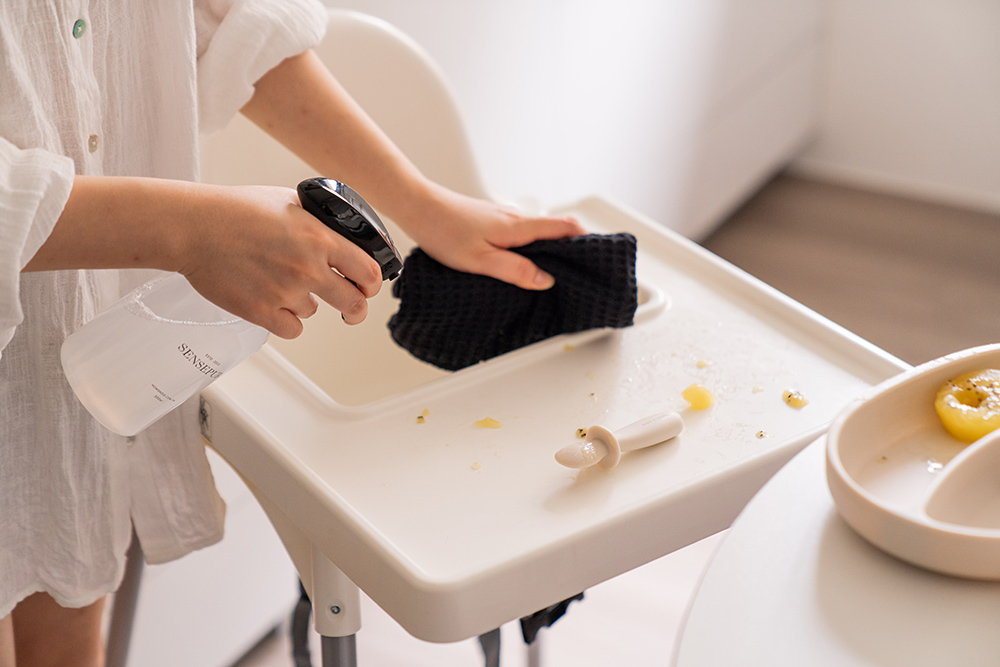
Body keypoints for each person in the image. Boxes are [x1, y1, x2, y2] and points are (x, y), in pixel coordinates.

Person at [0, 2, 584, 665]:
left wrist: (426, 208)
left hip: (63, 362)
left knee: (65, 606)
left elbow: (221, 18)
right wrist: (193, 231)